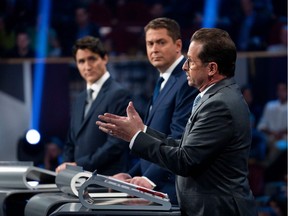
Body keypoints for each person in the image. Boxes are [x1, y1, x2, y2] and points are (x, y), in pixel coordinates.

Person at [97, 28, 257, 215]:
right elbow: (184, 146)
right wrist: (143, 131)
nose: (184, 67)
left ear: (212, 68)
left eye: (191, 61)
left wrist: (135, 137)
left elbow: (185, 160)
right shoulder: (215, 97)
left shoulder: (219, 104)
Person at [111, 17, 198, 204]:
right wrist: (130, 176)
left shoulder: (186, 81)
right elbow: (153, 142)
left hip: (173, 190)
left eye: (161, 42)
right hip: (158, 188)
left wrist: (149, 180)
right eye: (150, 43)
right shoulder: (162, 81)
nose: (154, 49)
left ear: (178, 45)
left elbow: (179, 140)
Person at [56, 36, 131, 175]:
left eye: (92, 59)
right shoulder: (79, 99)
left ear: (105, 58)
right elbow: (71, 141)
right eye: (81, 61)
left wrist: (79, 165)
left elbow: (115, 144)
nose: (87, 66)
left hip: (106, 181)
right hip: (77, 179)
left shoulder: (118, 94)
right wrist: (66, 168)